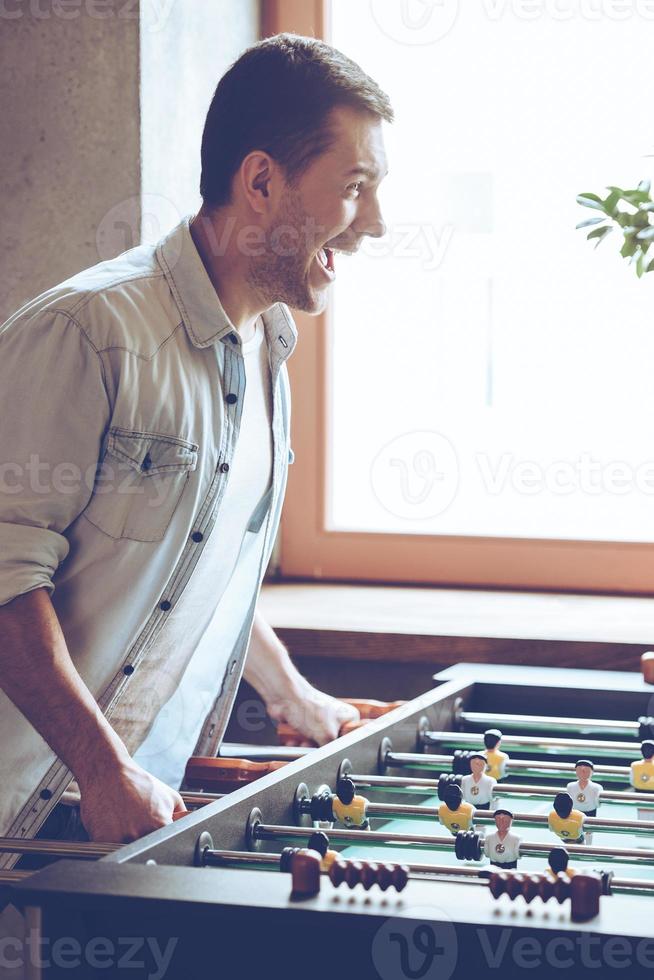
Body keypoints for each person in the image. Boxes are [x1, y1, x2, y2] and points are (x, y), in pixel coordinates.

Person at [0, 33, 393, 855]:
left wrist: (291, 693)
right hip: (24, 822)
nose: (376, 225)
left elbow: (190, 554)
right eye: (355, 187)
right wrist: (105, 770)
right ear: (260, 181)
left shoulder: (267, 350)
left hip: (134, 817)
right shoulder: (87, 331)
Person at [566, 758, 602, 843]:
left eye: (586, 770)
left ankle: (588, 846)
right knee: (575, 828)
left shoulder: (596, 787)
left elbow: (598, 803)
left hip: (590, 810)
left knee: (589, 830)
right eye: (580, 770)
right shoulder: (570, 786)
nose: (583, 772)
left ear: (592, 772)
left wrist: (592, 805)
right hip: (576, 811)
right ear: (576, 772)